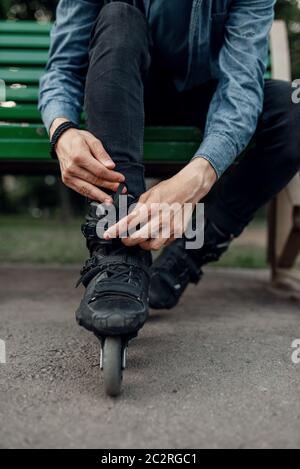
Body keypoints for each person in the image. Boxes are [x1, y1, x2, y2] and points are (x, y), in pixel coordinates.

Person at [39, 0, 300, 336]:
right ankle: (119, 255)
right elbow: (63, 67)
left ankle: (185, 257)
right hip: (123, 87)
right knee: (119, 15)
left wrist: (198, 175)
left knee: (295, 116)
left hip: (205, 98)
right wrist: (62, 130)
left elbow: (241, 88)